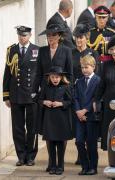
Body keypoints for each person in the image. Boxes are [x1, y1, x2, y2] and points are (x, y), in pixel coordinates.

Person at [37, 23, 73, 172]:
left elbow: (70, 73)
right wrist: (40, 92)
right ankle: (51, 163)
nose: (50, 38)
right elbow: (39, 72)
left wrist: (65, 93)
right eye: (48, 36)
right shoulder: (42, 51)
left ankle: (60, 164)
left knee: (60, 135)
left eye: (53, 35)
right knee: (49, 135)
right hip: (47, 92)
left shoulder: (66, 51)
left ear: (59, 36)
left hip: (61, 93)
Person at [3, 26, 39, 166]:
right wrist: (6, 95)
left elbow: (40, 73)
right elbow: (7, 74)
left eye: (24, 35)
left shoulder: (37, 50)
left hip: (31, 95)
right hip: (16, 94)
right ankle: (21, 155)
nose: (22, 38)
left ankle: (30, 155)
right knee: (17, 127)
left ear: (30, 35)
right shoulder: (11, 50)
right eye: (20, 35)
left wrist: (39, 93)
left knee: (32, 127)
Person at [39, 66, 73, 175]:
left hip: (61, 119)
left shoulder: (66, 87)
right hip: (49, 118)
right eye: (53, 77)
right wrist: (45, 102)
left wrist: (61, 103)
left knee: (60, 143)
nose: (55, 79)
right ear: (49, 77)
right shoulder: (46, 87)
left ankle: (60, 166)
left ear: (61, 77)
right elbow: (38, 99)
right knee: (51, 142)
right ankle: (52, 165)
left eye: (57, 77)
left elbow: (70, 101)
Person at [74, 55, 100, 175]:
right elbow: (76, 98)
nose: (84, 70)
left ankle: (93, 167)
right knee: (79, 141)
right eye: (82, 67)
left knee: (91, 143)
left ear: (93, 67)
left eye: (86, 67)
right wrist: (79, 112)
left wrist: (85, 110)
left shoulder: (98, 81)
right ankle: (84, 166)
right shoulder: (79, 82)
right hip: (80, 117)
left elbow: (96, 98)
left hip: (91, 117)